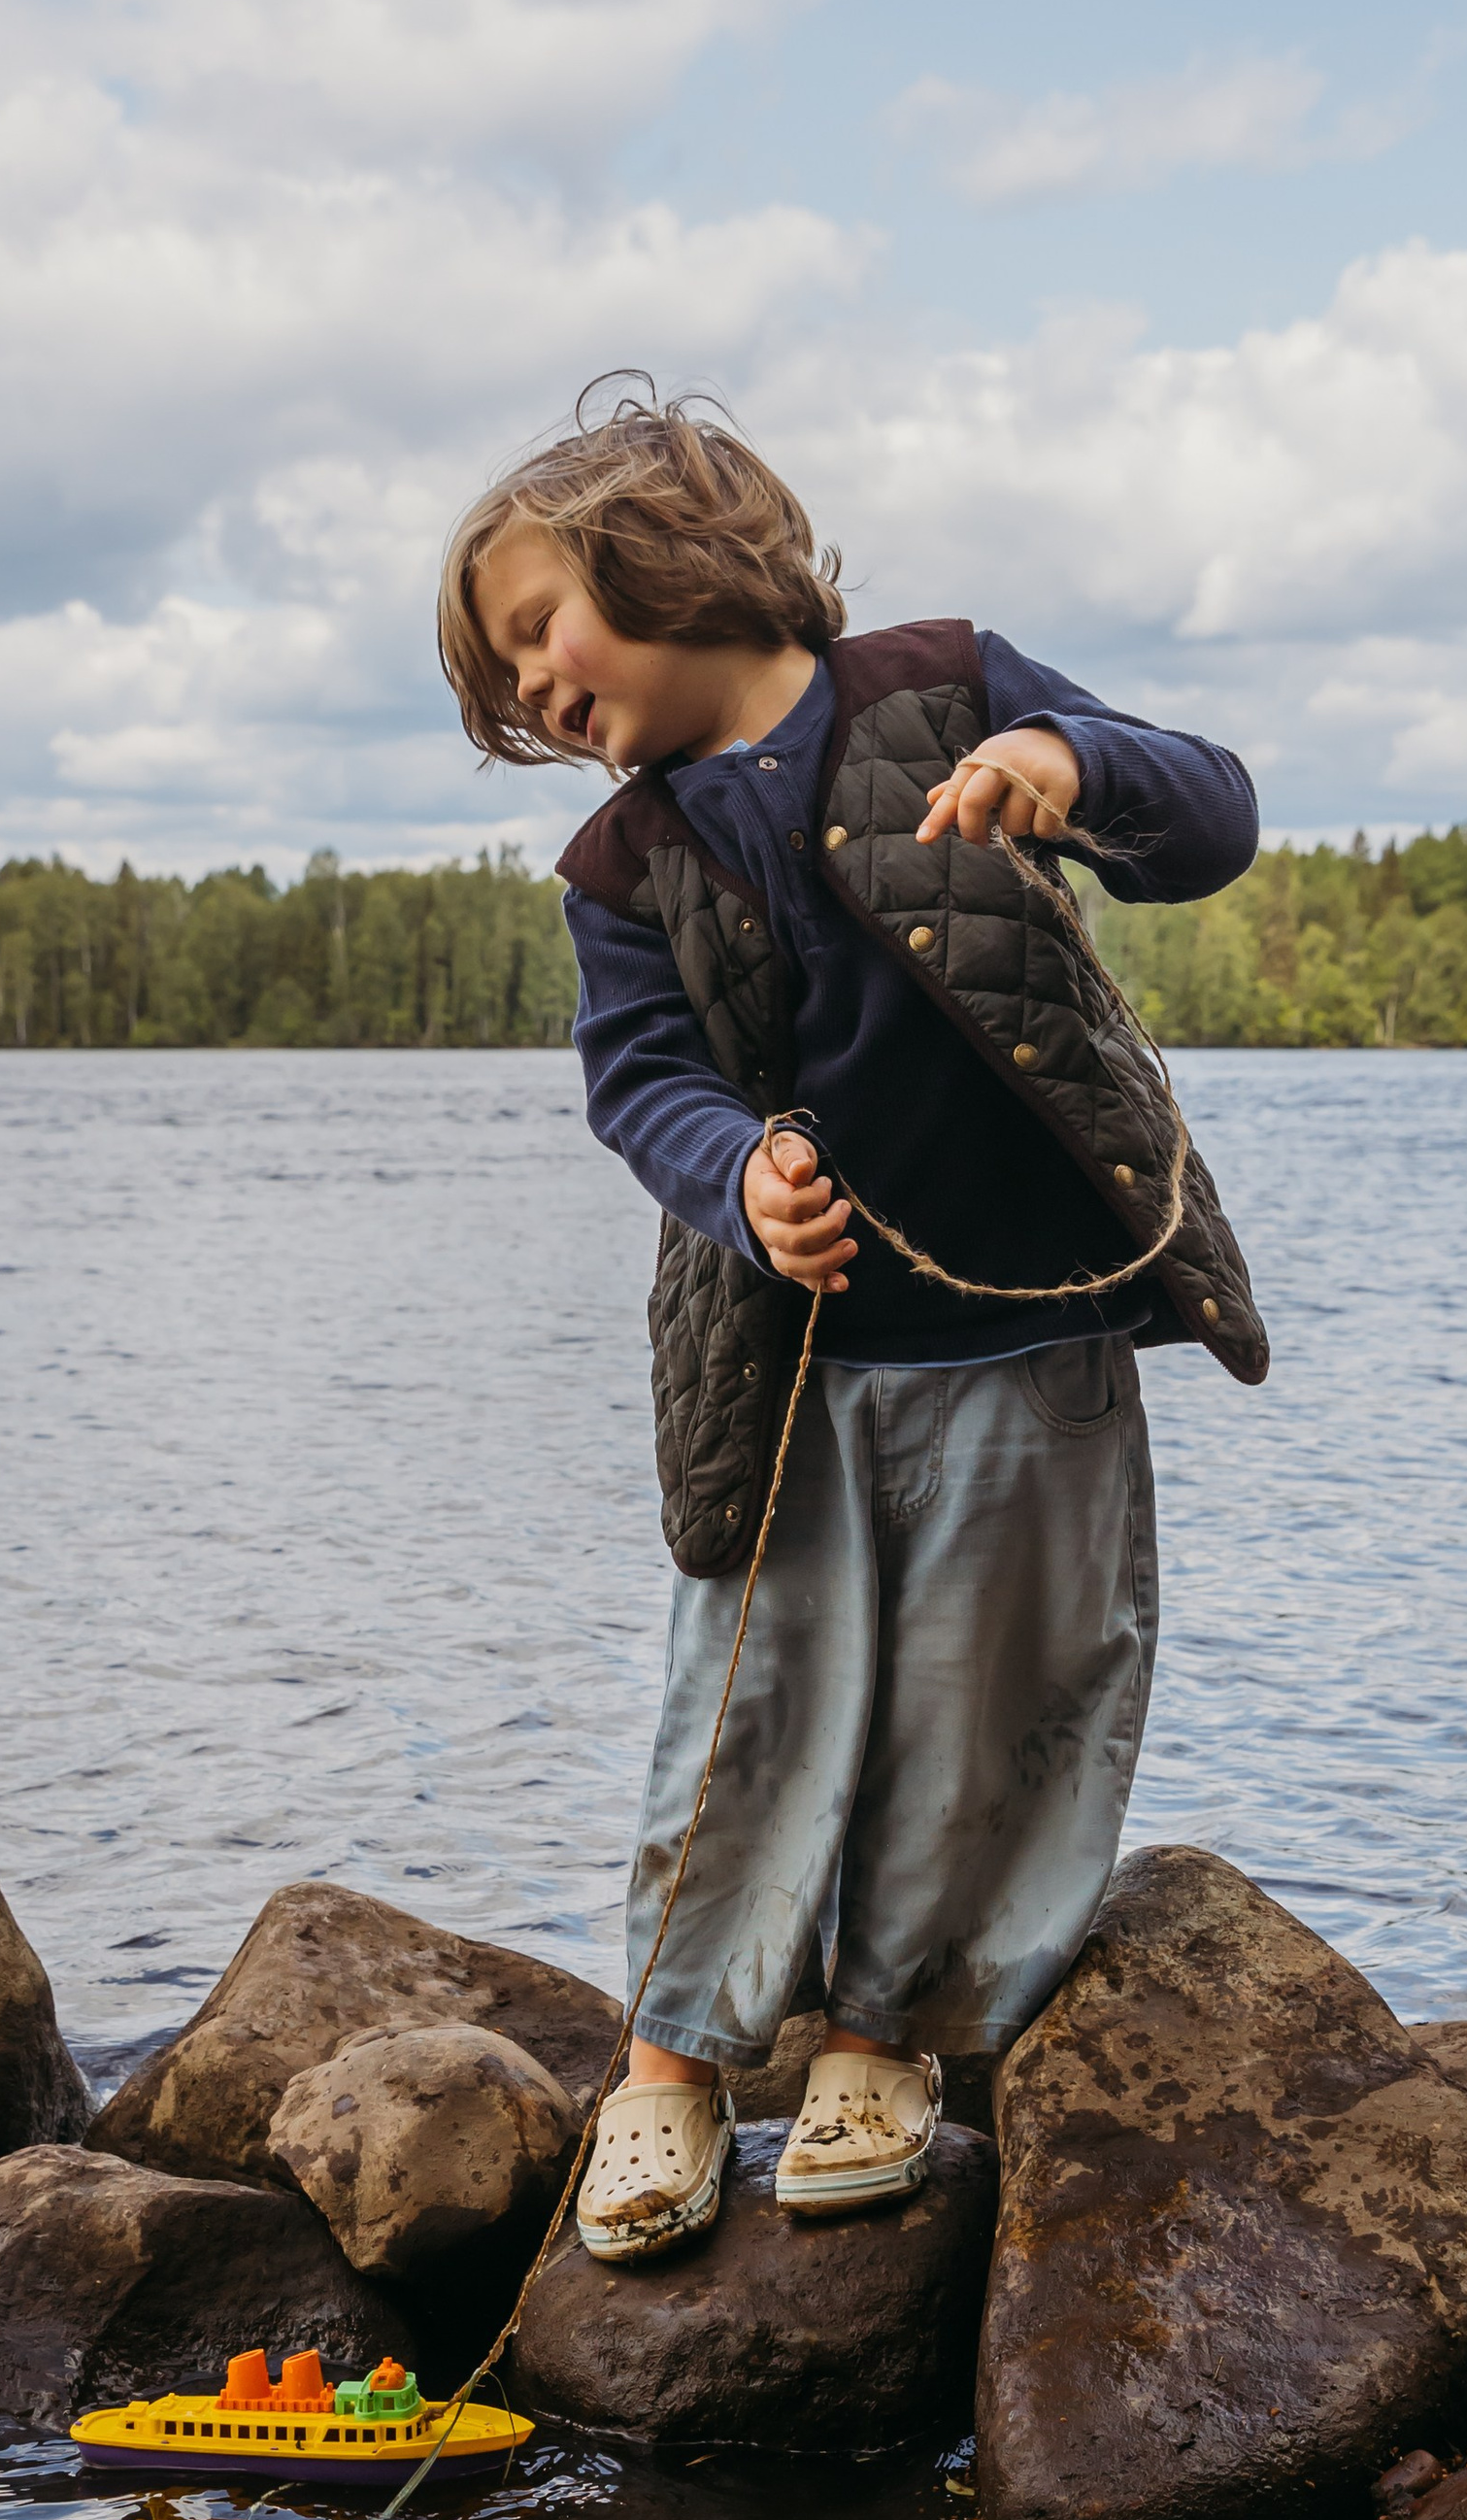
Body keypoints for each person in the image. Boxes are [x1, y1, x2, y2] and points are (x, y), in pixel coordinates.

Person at [436, 384, 1267, 2266]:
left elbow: (1203, 806)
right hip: (786, 1364)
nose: (523, 688)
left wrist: (1067, 764)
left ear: (653, 546)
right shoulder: (620, 868)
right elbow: (637, 1080)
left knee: (990, 1698)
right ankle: (666, 2066)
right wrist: (736, 1176)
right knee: (746, 1707)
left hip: (1021, 1330)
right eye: (499, 677)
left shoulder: (939, 684)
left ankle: (880, 2042)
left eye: (530, 628)